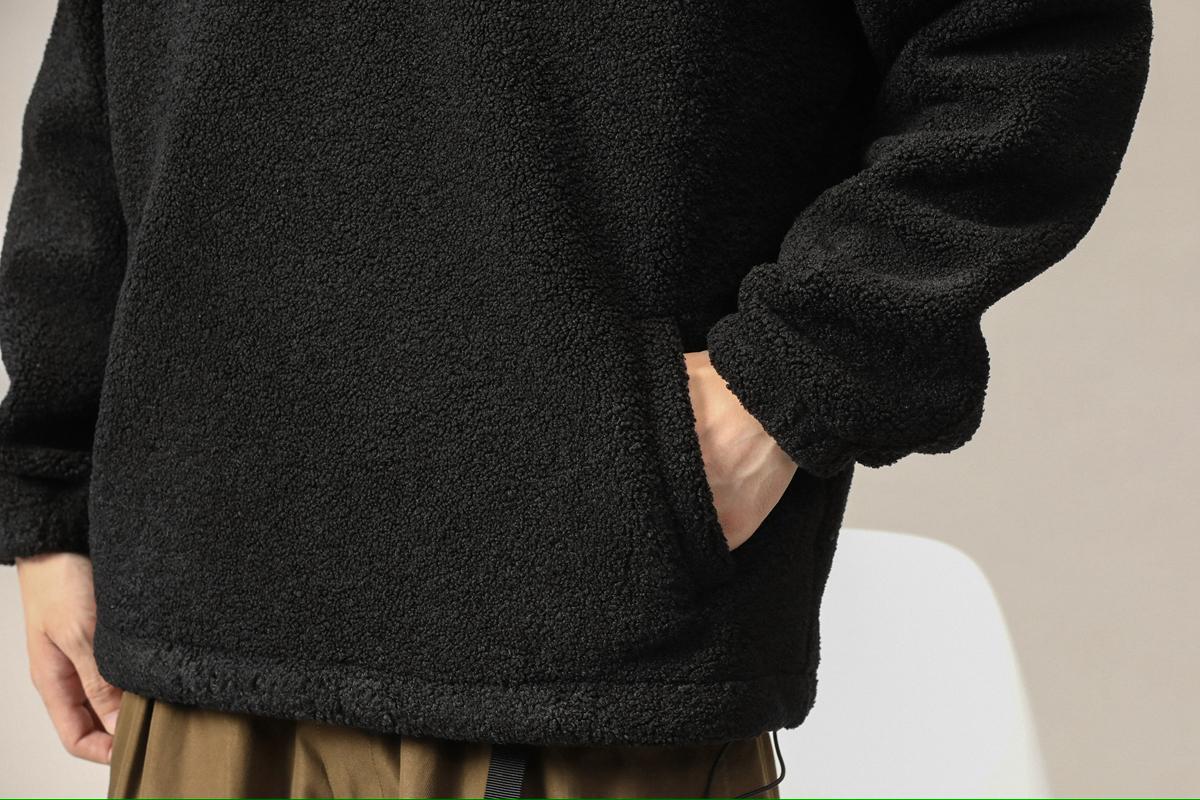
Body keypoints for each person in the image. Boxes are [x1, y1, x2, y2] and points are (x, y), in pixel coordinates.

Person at [0, 1, 1151, 797]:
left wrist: (789, 377)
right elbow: (96, 80)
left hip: (566, 641)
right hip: (194, 630)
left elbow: (1034, 42)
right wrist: (53, 485)